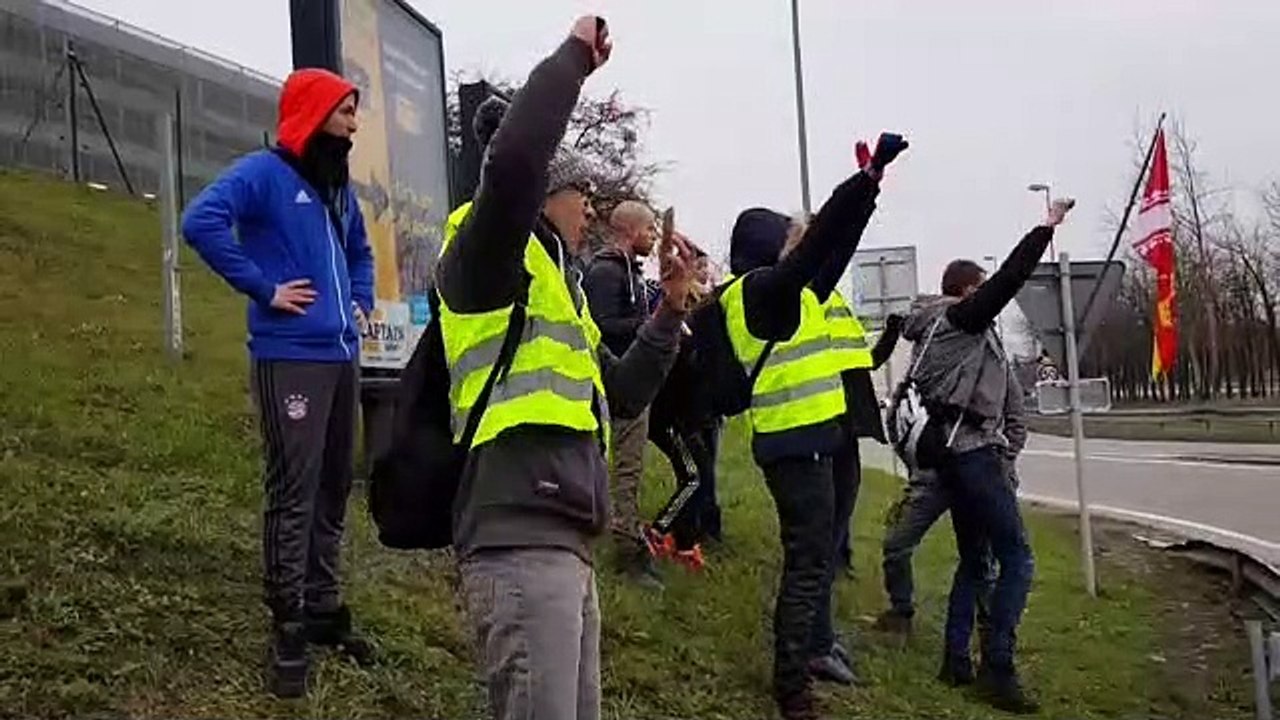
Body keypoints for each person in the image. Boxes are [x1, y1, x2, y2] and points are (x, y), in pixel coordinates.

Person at [434, 17, 698, 720]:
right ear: (543, 199)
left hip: (565, 538)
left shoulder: (562, 282)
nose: (589, 212)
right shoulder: (485, 252)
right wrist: (573, 60)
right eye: (580, 198)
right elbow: (515, 159)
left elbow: (622, 391)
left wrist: (669, 312)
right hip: (518, 537)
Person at [181, 67, 377, 698]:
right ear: (315, 113)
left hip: (340, 357)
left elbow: (359, 251)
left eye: (355, 111)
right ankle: (286, 619)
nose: (353, 123)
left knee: (332, 485)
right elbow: (200, 222)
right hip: (288, 355)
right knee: (293, 489)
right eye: (346, 112)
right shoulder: (262, 175)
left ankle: (323, 607)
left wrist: (362, 297)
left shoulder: (336, 187)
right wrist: (263, 288)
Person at [702, 134, 907, 720]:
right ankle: (792, 687)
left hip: (816, 442)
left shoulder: (785, 295)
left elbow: (834, 249)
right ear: (769, 249)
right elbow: (820, 244)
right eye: (788, 241)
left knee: (813, 561)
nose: (799, 249)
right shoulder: (760, 294)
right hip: (795, 449)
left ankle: (802, 667)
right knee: (808, 563)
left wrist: (869, 193)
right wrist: (864, 177)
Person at [900, 198, 1074, 713]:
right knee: (1017, 557)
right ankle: (997, 667)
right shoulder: (960, 321)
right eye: (982, 289)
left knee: (975, 561)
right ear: (969, 292)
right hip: (973, 455)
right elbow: (1011, 280)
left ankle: (956, 662)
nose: (988, 298)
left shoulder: (929, 326)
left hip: (953, 455)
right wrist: (1047, 227)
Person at [875, 367, 1027, 639]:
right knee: (896, 543)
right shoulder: (930, 359)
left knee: (982, 560)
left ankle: (989, 635)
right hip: (933, 477)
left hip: (980, 471)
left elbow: (1016, 422)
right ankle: (901, 610)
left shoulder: (997, 364)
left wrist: (1001, 466)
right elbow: (906, 419)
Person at [584, 201, 661, 586]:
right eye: (650, 230)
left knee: (630, 467)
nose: (654, 237)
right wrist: (647, 326)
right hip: (615, 382)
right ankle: (626, 549)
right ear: (630, 231)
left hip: (631, 380)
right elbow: (601, 327)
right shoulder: (604, 273)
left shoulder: (631, 273)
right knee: (623, 468)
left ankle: (625, 538)